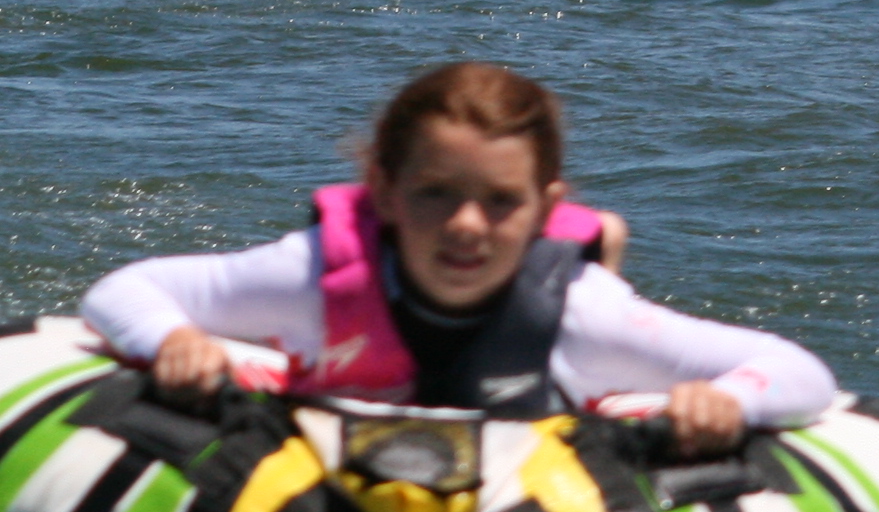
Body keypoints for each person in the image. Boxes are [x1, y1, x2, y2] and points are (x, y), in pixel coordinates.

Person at [79, 62, 835, 457]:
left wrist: (727, 403)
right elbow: (123, 290)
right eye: (436, 194)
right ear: (383, 192)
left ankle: (599, 243)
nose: (466, 226)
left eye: (501, 202)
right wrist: (174, 340)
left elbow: (799, 373)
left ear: (542, 209)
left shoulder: (579, 314)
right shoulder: (315, 277)